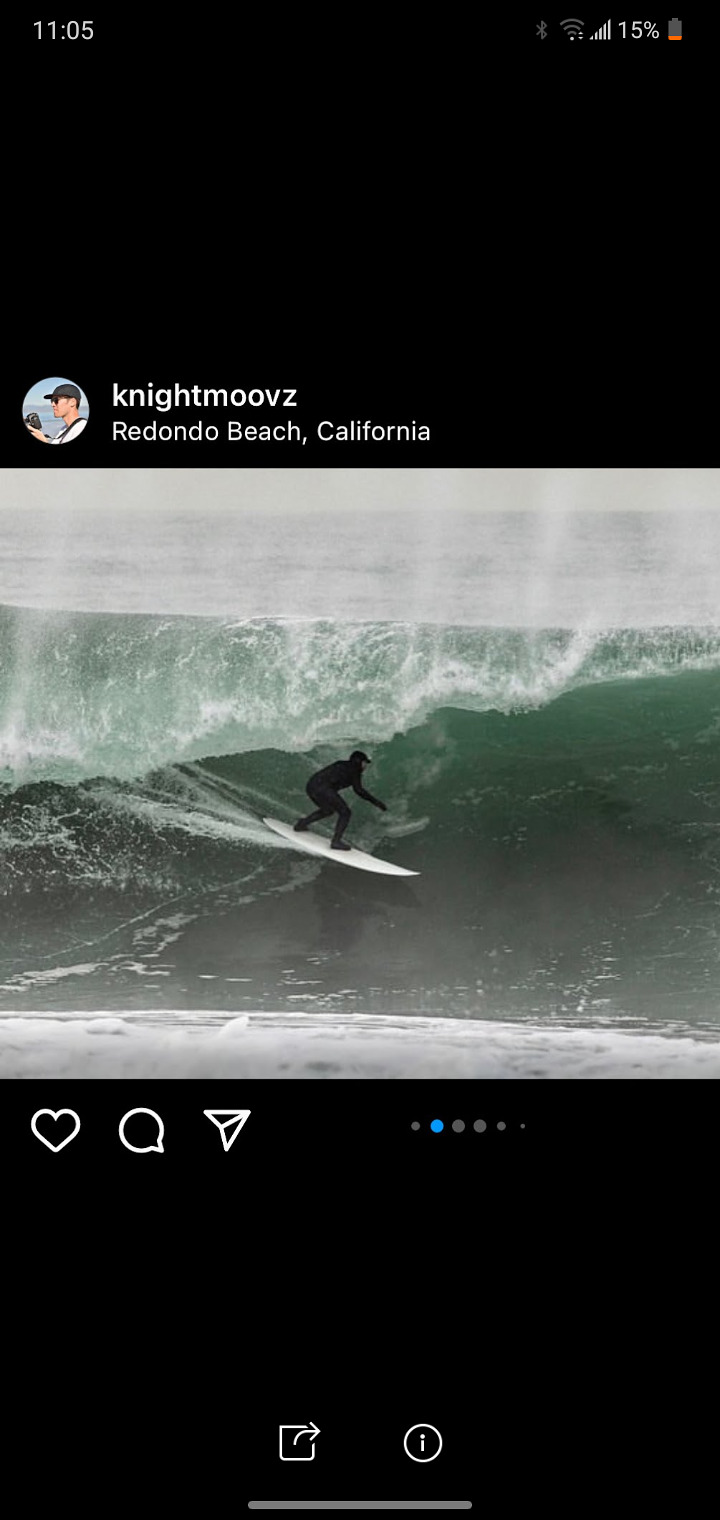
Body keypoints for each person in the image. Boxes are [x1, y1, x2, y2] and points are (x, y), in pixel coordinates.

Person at [294, 750, 387, 849]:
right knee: (345, 812)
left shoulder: (341, 764)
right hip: (323, 789)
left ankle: (301, 824)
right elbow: (359, 790)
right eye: (364, 763)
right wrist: (376, 802)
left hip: (311, 785)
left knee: (328, 810)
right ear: (358, 761)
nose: (365, 766)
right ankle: (336, 841)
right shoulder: (355, 770)